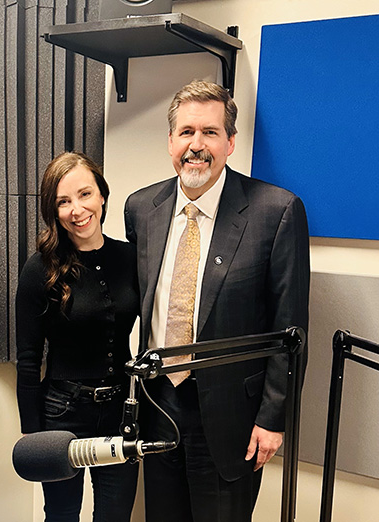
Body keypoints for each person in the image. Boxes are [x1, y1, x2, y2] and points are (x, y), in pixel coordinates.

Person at [124, 80, 310, 521]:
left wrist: (273, 417)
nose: (196, 145)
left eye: (209, 132)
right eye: (186, 132)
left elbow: (291, 331)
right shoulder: (140, 208)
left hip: (234, 418)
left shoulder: (276, 211)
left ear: (230, 142)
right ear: (170, 141)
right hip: (157, 406)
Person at [15, 151, 140, 522]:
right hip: (62, 414)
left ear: (102, 194)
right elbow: (27, 360)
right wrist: (32, 439)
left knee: (115, 515)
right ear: (53, 211)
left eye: (85, 194)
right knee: (63, 514)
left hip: (121, 411)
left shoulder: (131, 258)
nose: (76, 209)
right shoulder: (40, 268)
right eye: (63, 201)